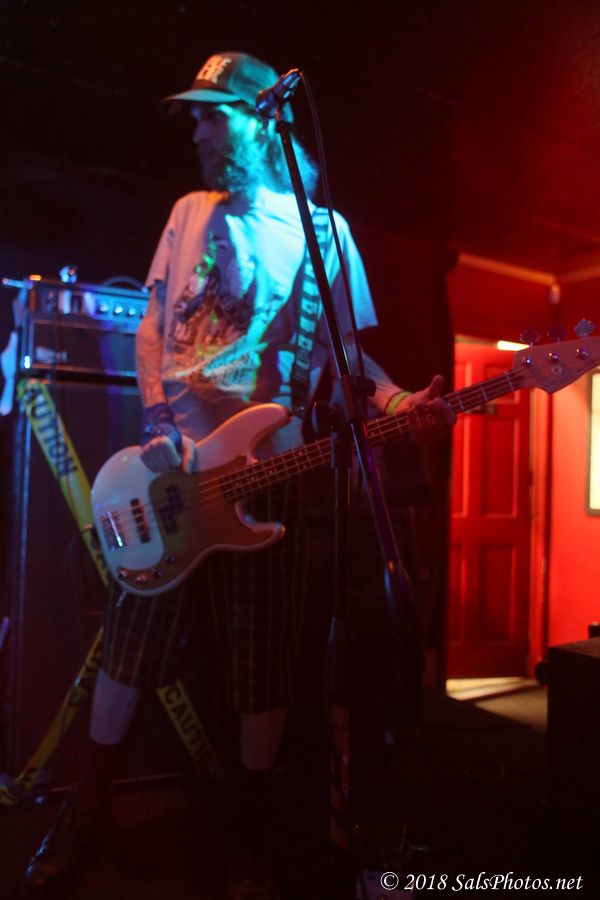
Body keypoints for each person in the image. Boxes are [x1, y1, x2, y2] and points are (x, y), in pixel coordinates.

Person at [21, 51, 455, 900]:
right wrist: (157, 420)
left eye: (210, 114)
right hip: (167, 474)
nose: (194, 130)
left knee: (260, 666)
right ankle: (88, 808)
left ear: (264, 121)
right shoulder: (190, 212)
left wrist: (403, 403)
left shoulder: (325, 234)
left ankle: (251, 832)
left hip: (268, 477)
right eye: (194, 115)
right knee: (129, 649)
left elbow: (347, 361)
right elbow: (153, 325)